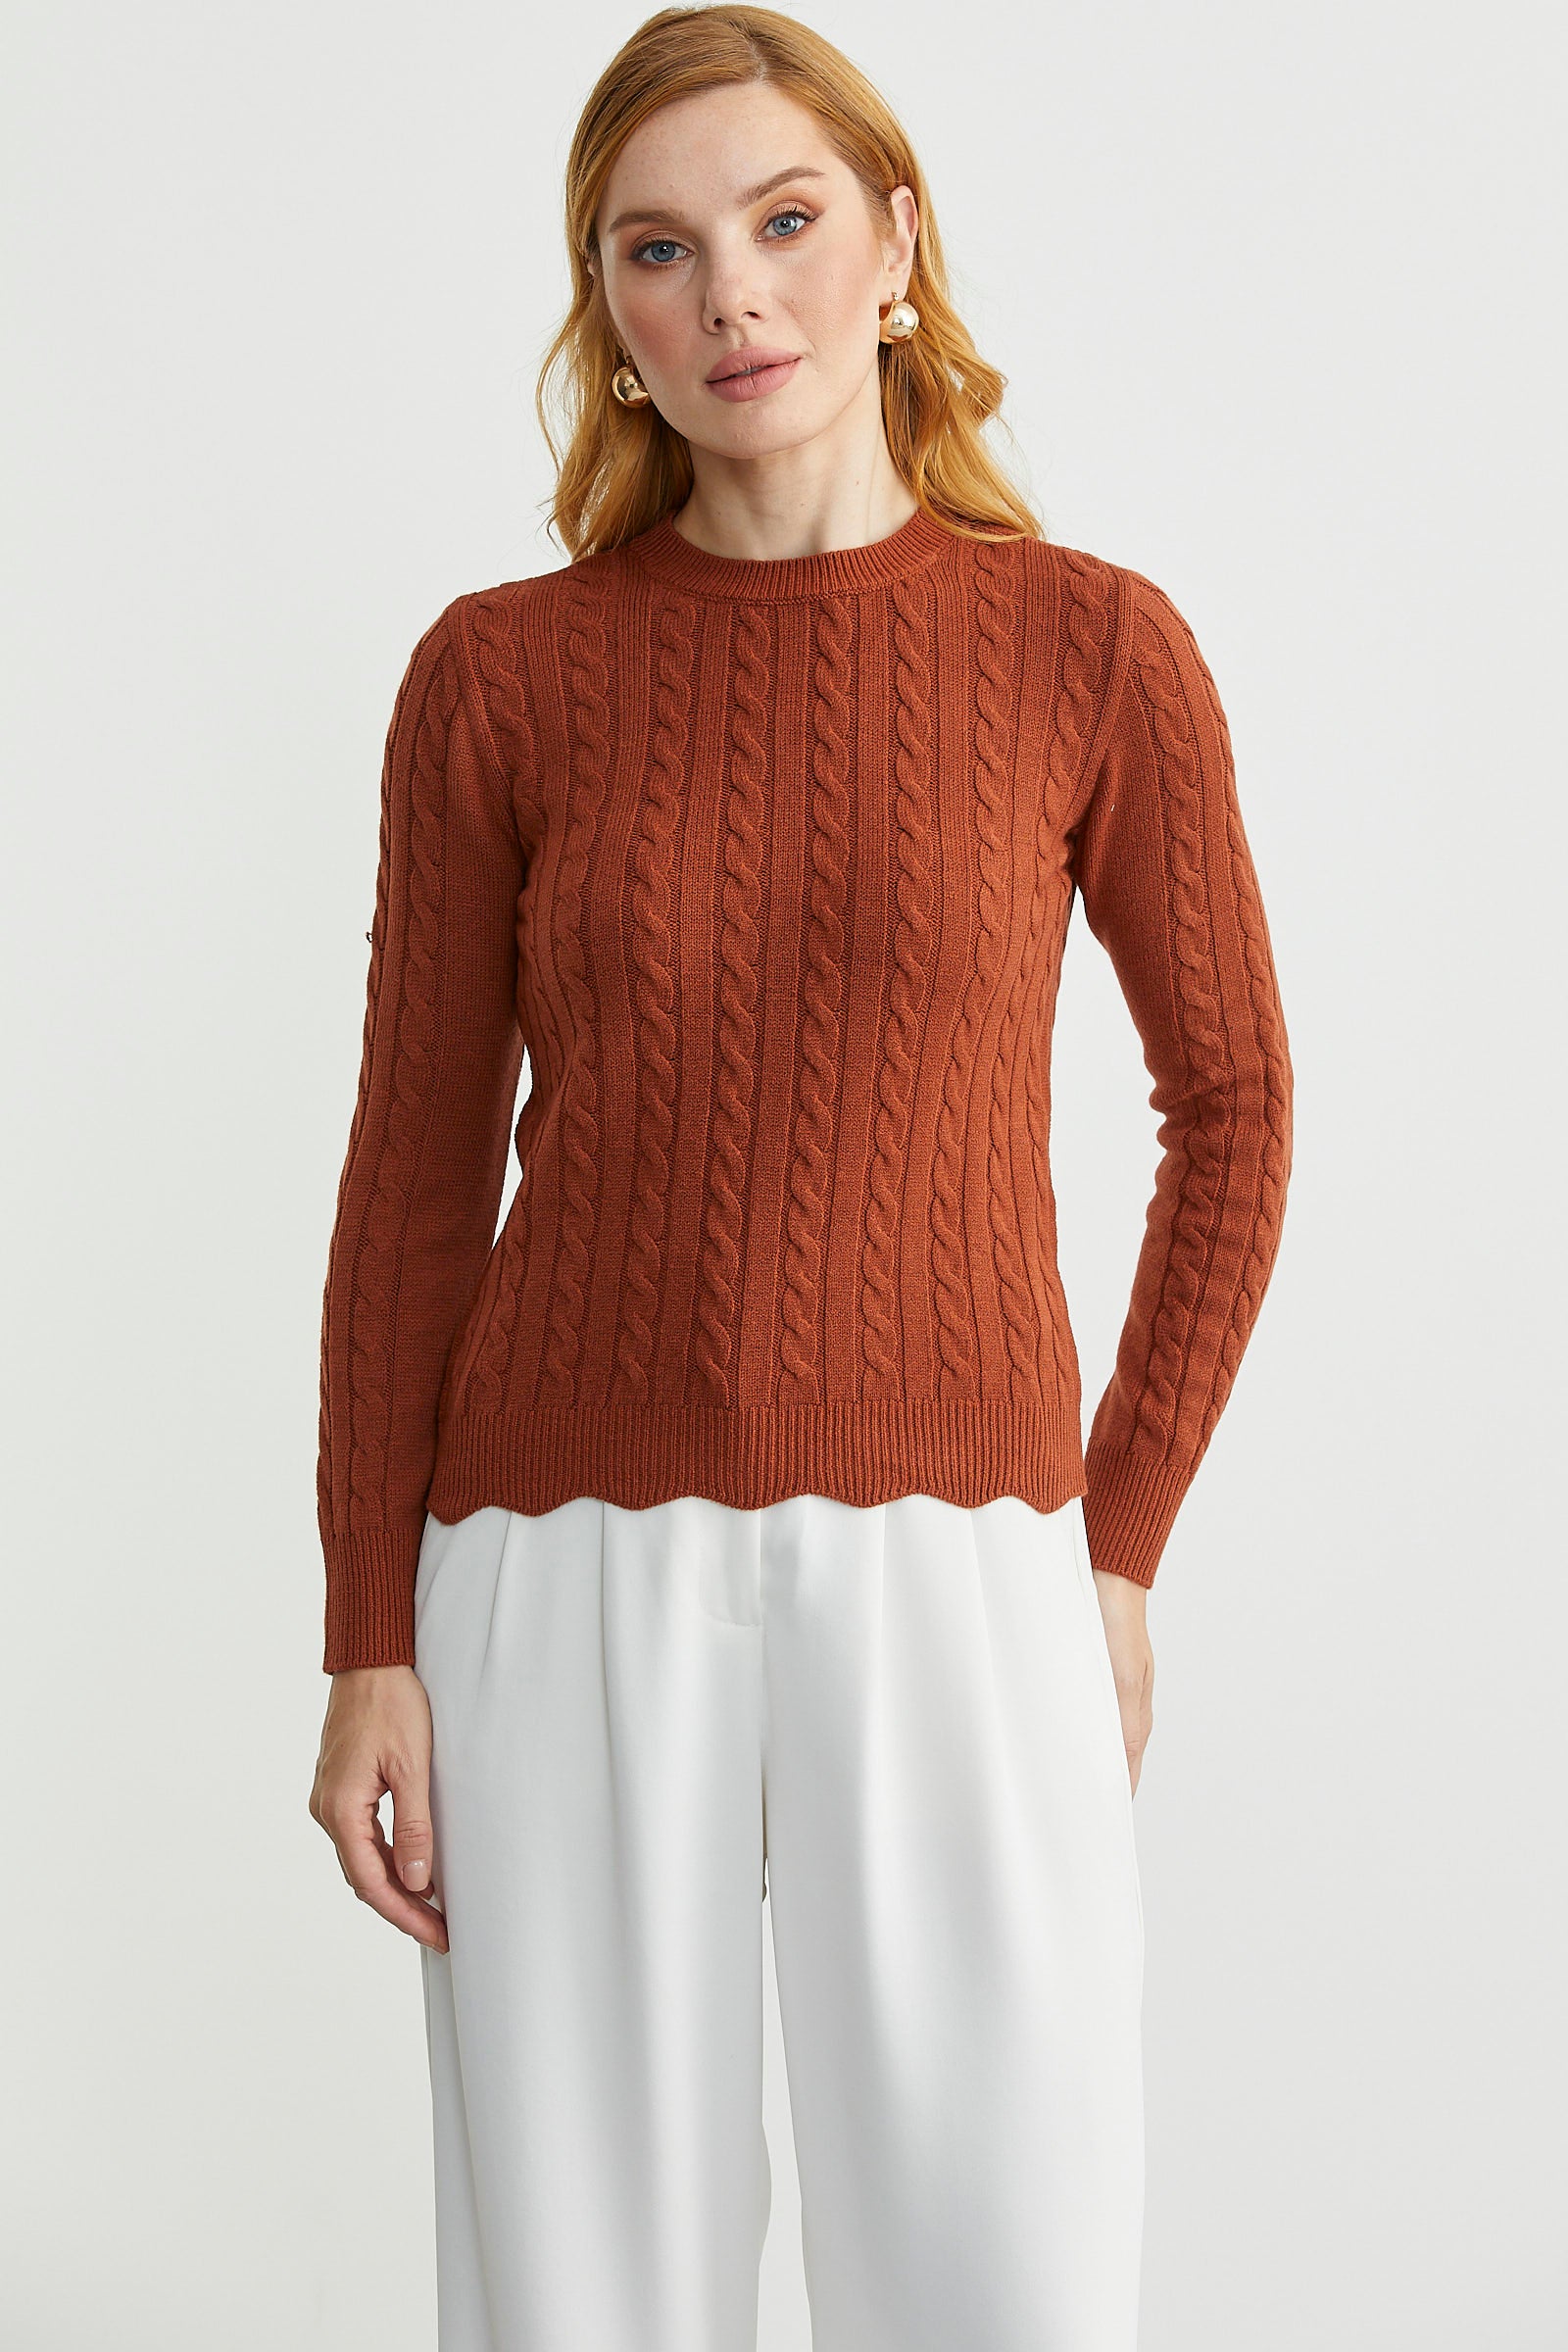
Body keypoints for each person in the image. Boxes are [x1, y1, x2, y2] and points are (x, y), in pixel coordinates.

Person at [308, 8, 1295, 2346]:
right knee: (580, 2297)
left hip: (965, 1559)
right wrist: (366, 1639)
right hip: (556, 1564)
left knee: (1002, 2281)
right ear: (608, 312)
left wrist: (1118, 1539)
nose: (730, 293)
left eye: (781, 220)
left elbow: (1234, 1106)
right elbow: (411, 1185)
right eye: (656, 250)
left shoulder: (1087, 650)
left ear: (891, 245)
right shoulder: (498, 681)